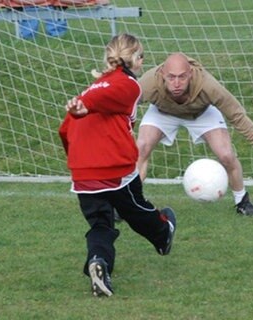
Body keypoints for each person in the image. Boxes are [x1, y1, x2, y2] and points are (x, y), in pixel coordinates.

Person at [58, 33, 176, 297]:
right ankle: (163, 234)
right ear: (134, 59)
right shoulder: (128, 85)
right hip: (112, 166)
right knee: (134, 207)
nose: (143, 62)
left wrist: (76, 161)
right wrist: (84, 107)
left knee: (101, 224)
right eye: (141, 56)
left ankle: (98, 262)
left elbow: (65, 130)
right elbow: (110, 94)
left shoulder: (93, 88)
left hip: (83, 172)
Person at [137, 52, 253, 216]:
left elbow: (236, 115)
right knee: (142, 146)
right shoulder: (148, 83)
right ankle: (130, 202)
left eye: (182, 77)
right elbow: (122, 105)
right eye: (171, 77)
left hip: (202, 113)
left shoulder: (208, 86)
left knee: (226, 155)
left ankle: (242, 201)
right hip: (162, 112)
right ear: (162, 74)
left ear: (191, 74)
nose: (177, 83)